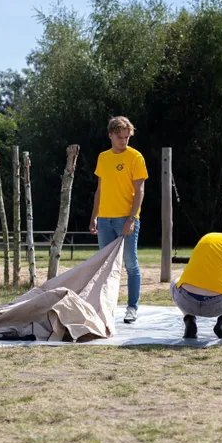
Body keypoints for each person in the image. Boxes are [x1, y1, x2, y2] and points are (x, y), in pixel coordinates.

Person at [89, 116, 148, 323]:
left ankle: (132, 307)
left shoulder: (136, 157)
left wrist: (131, 219)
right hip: (104, 219)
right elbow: (99, 189)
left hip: (127, 218)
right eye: (120, 137)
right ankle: (105, 307)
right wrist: (94, 216)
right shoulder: (103, 157)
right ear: (111, 135)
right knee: (105, 265)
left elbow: (140, 191)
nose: (124, 141)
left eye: (127, 137)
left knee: (130, 264)